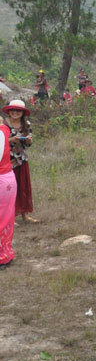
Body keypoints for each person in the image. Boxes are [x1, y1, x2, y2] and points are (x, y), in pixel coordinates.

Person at [3, 100, 37, 224]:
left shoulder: (26, 125)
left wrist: (27, 140)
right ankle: (8, 216)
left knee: (22, 186)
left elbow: (29, 144)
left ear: (22, 113)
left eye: (18, 110)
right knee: (7, 189)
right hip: (7, 161)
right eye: (13, 110)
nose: (15, 112)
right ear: (9, 111)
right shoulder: (4, 124)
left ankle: (24, 214)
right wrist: (13, 139)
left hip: (21, 160)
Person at [0, 115, 16, 269]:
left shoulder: (1, 131)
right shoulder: (4, 129)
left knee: (3, 219)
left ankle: (3, 256)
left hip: (3, 179)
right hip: (5, 178)